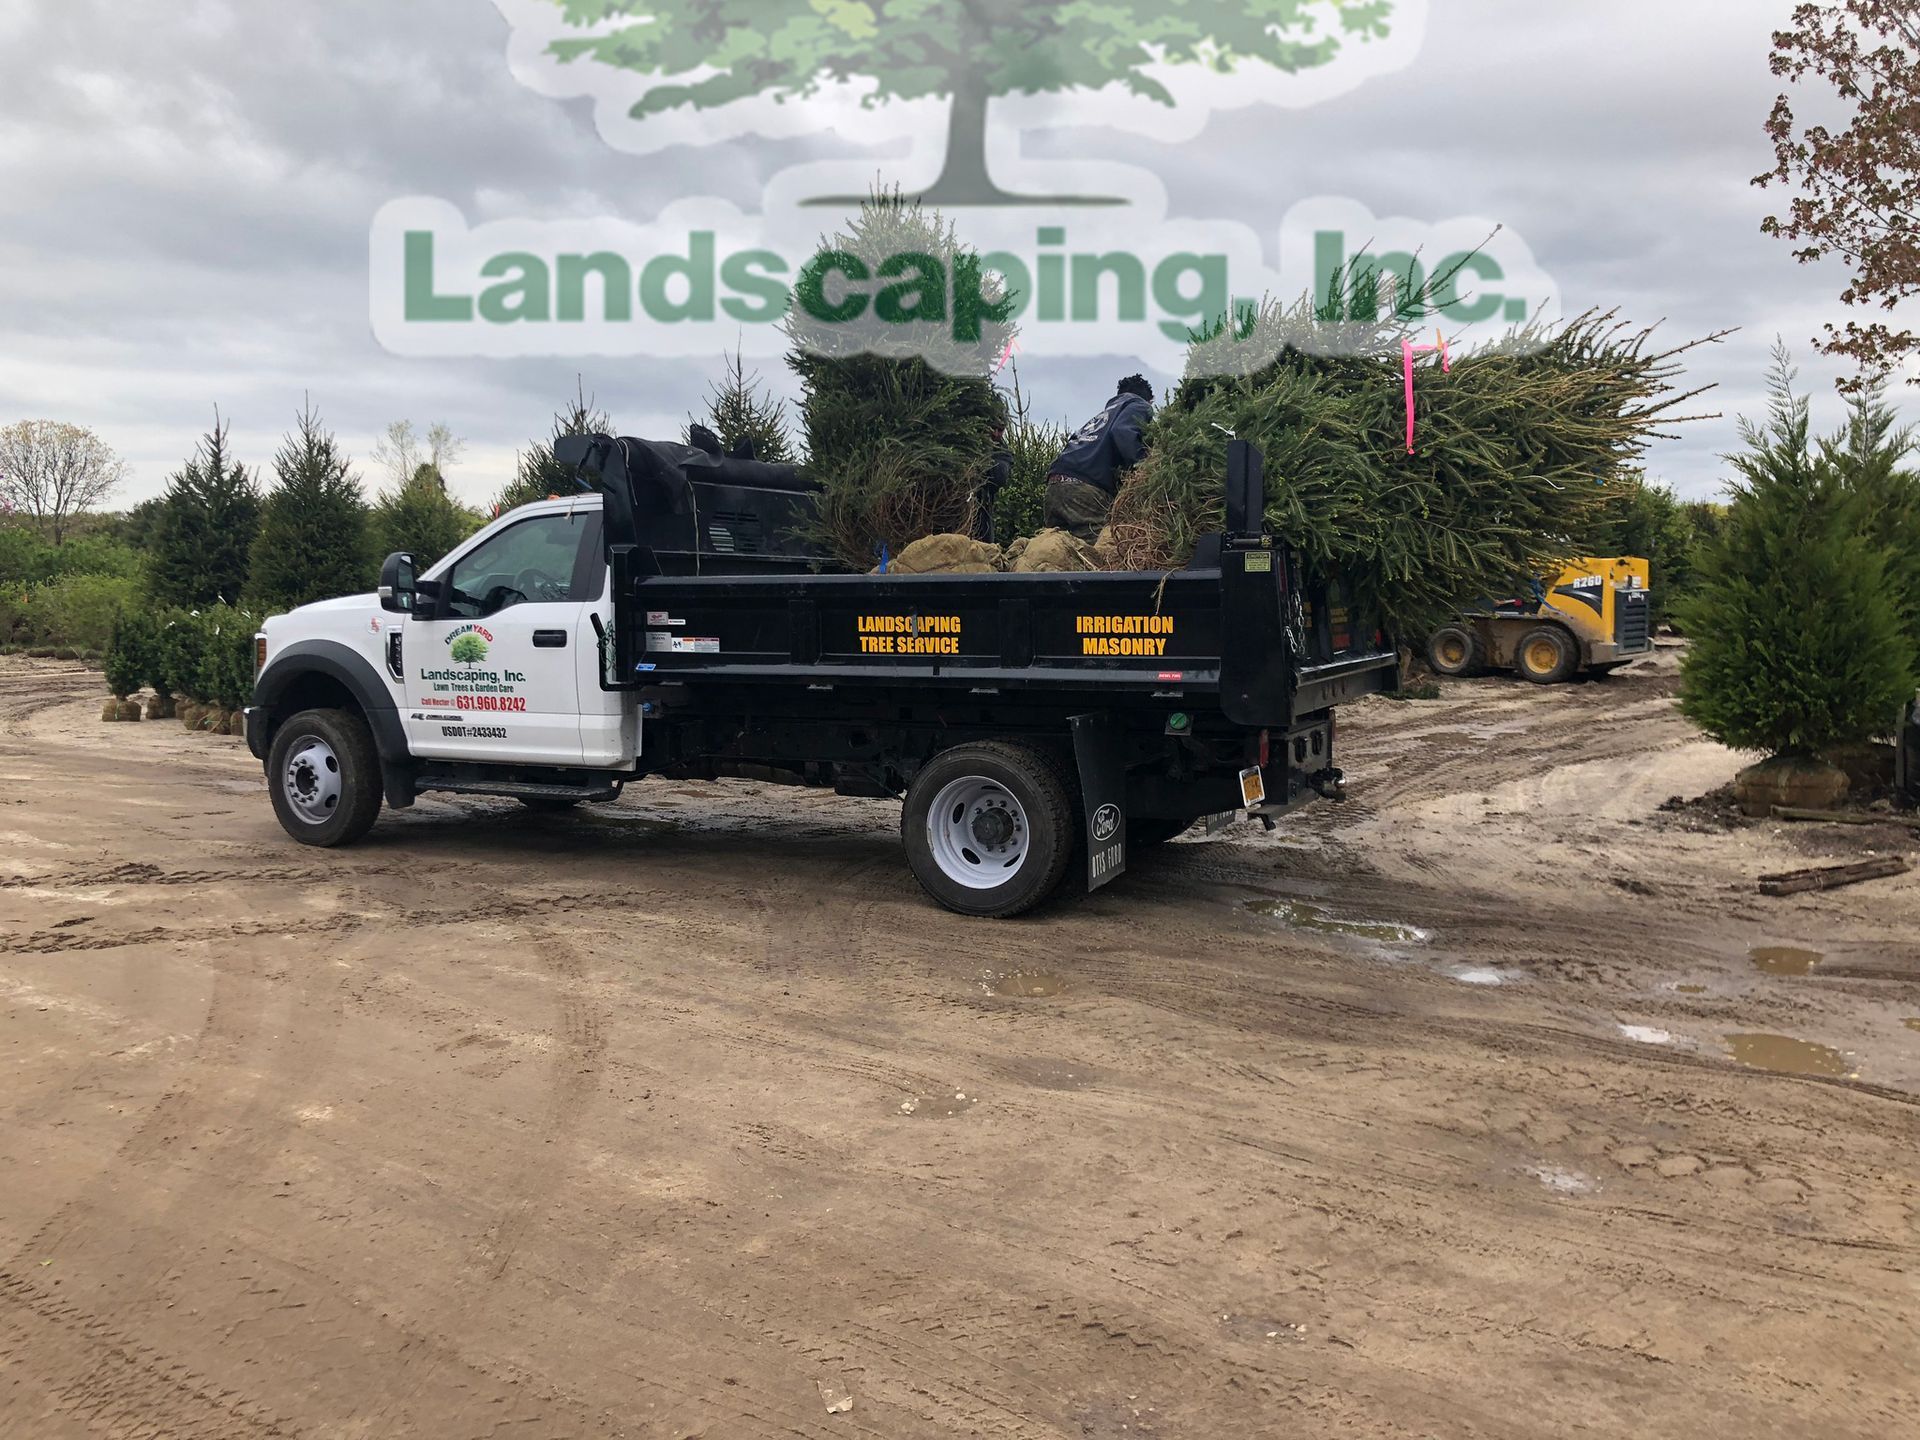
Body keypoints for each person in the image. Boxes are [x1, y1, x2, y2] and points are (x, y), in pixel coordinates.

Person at [1045, 375, 1154, 541]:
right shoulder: (1139, 404)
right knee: (1103, 551)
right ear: (1149, 400)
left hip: (1055, 485)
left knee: (1057, 551)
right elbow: (1122, 432)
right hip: (1084, 489)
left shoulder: (1104, 416)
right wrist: (1147, 467)